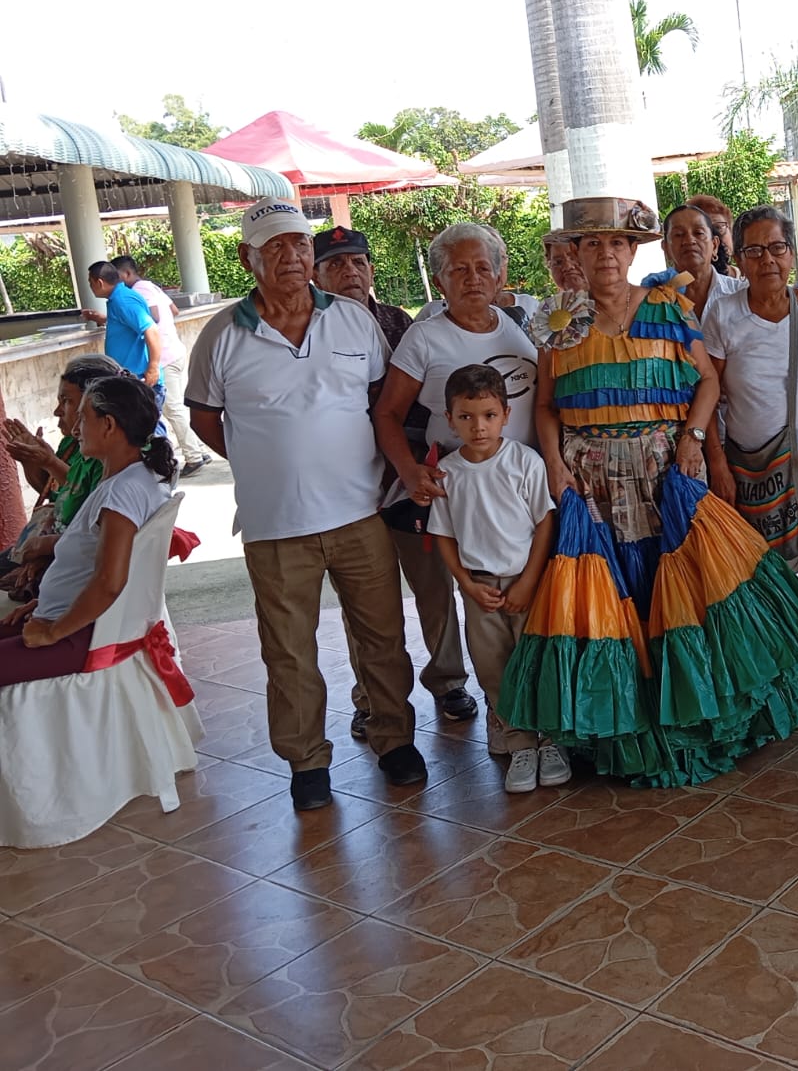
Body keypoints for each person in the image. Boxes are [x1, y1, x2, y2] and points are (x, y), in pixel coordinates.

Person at [513, 196, 798, 786]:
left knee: (679, 588)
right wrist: (554, 462)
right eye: (593, 244)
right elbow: (547, 406)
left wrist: (694, 438)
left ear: (633, 252)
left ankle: (699, 717)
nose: (606, 255)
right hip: (593, 482)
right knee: (616, 596)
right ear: (576, 253)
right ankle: (629, 725)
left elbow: (707, 381)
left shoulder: (669, 307)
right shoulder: (558, 321)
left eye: (617, 243)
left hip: (665, 474)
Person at [186, 198, 426, 811]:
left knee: (382, 635)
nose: (291, 256)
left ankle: (395, 739)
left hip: (359, 513)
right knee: (289, 650)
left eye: (298, 243)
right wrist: (263, 460)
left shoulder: (352, 321)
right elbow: (205, 419)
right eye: (275, 246)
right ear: (248, 257)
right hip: (274, 525)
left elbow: (381, 402)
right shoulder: (221, 335)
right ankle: (307, 762)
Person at [373, 222, 543, 728]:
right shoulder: (426, 338)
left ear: (501, 275)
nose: (473, 279)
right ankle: (477, 700)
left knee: (523, 607)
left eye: (483, 268)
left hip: (518, 493)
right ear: (439, 280)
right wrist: (409, 472)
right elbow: (387, 413)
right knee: (459, 600)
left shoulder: (518, 326)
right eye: (459, 270)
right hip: (458, 493)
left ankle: (534, 717)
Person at [311, 224, 470, 741]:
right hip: (346, 487)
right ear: (316, 276)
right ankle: (370, 697)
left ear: (371, 269)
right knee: (363, 602)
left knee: (434, 584)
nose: (349, 272)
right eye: (335, 264)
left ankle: (448, 681)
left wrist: (411, 465)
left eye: (357, 262)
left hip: (406, 480)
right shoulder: (309, 330)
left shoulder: (400, 323)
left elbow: (418, 405)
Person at [703, 204, 798, 713]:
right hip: (753, 475)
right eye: (754, 250)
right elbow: (708, 392)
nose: (767, 260)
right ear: (738, 258)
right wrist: (716, 462)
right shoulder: (723, 314)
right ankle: (783, 677)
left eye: (777, 248)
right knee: (766, 578)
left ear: (792, 254)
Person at [425, 364, 561, 794]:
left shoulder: (524, 461)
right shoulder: (448, 473)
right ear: (450, 419)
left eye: (488, 415)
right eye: (466, 417)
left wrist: (529, 581)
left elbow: (544, 523)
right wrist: (466, 584)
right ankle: (519, 744)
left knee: (537, 662)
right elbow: (444, 535)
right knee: (494, 670)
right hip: (479, 590)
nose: (478, 426)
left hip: (527, 584)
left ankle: (551, 741)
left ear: (505, 414)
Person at [0, 377, 174, 683]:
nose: (75, 429)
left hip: (83, 634)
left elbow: (109, 582)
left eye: (83, 418)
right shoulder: (132, 478)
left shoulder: (122, 492)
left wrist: (53, 631)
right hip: (75, 619)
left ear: (108, 425)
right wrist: (47, 603)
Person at [0, 354, 123, 599]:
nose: (58, 412)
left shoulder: (111, 460)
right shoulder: (73, 444)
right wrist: (31, 460)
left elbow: (91, 521)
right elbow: (57, 495)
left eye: (66, 402)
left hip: (74, 558)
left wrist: (45, 551)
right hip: (59, 542)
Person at [112, 255, 209, 477]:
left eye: (117, 276)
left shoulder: (139, 290)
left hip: (163, 357)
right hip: (174, 351)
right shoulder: (151, 286)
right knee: (176, 407)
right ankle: (198, 450)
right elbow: (173, 310)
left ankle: (194, 457)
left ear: (127, 273)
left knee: (172, 408)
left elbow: (153, 317)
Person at [83, 262, 162, 396]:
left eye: (91, 282)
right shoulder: (119, 297)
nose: (90, 287)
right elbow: (125, 324)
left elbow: (151, 330)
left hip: (141, 379)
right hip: (131, 379)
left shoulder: (122, 300)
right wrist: (102, 319)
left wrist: (153, 368)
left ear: (100, 283)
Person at [666, 204, 746, 317]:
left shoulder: (741, 294)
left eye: (699, 233)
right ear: (665, 248)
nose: (689, 240)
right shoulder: (655, 300)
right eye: (678, 234)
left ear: (715, 245)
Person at [687, 192, 738, 277]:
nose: (715, 239)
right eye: (700, 232)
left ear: (731, 231)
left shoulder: (750, 280)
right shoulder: (674, 284)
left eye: (718, 227)